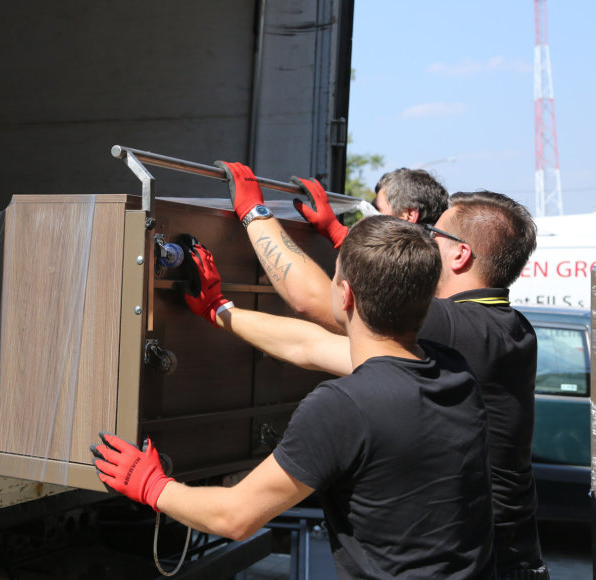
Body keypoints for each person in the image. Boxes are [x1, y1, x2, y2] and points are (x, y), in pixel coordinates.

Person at [92, 216, 496, 579]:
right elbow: (310, 345)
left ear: (345, 295)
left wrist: (152, 486)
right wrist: (220, 310)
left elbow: (235, 517)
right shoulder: (453, 370)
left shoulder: (343, 406)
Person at [210, 161, 547, 579]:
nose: (424, 241)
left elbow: (316, 300)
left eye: (433, 234)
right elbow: (313, 346)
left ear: (460, 254)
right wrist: (220, 310)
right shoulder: (503, 329)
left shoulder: (461, 328)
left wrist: (254, 213)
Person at [293, 167, 448, 248]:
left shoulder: (424, 267)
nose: (368, 218)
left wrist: (338, 234)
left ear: (409, 216)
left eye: (377, 210)